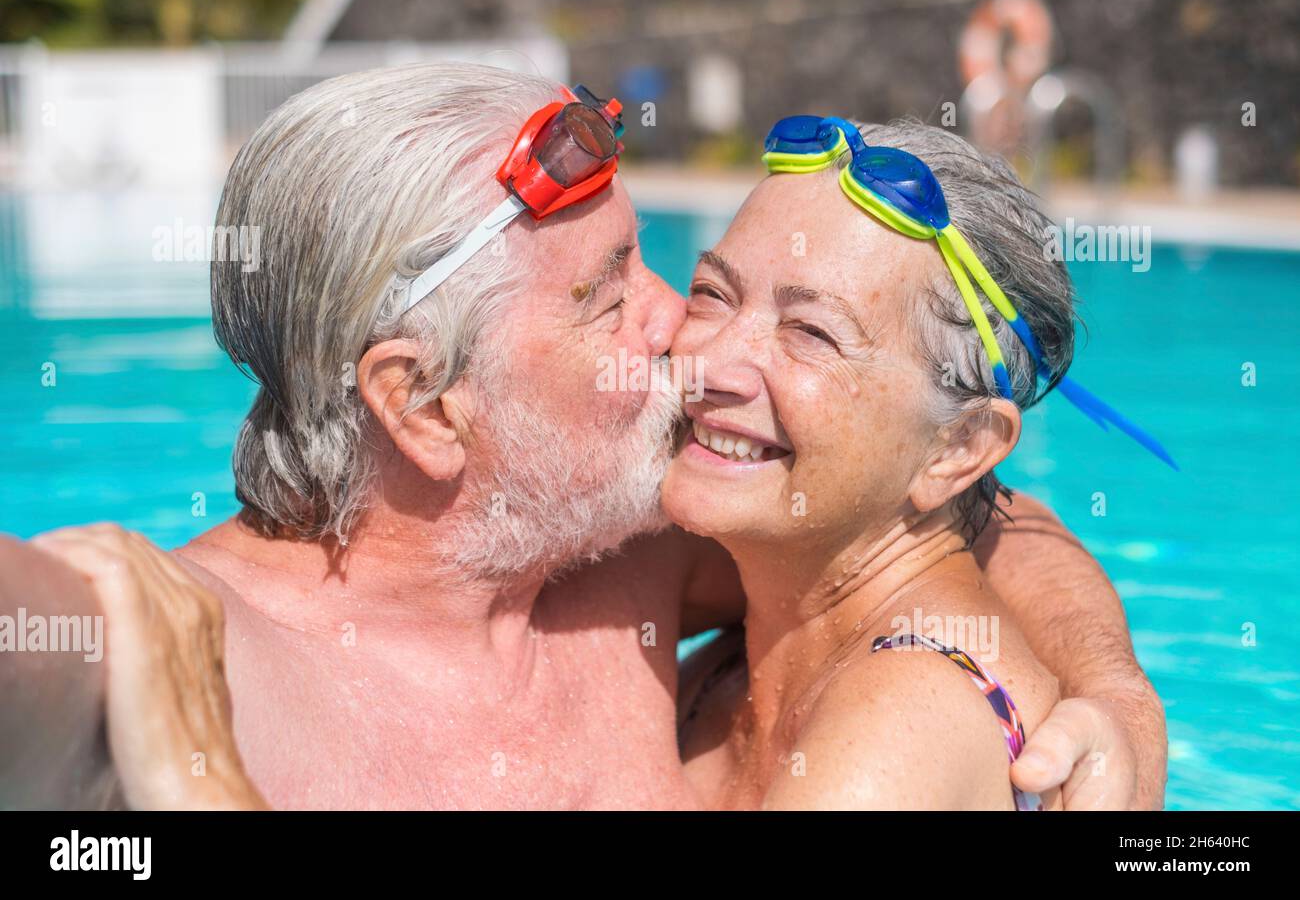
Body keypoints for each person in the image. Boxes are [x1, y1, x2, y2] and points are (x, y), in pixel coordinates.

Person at [3, 64, 1165, 810]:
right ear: (422, 402)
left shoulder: (632, 548)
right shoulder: (159, 641)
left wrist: (1114, 694)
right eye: (613, 291)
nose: (683, 339)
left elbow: (981, 513)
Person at [675, 114, 1173, 808]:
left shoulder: (894, 739)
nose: (710, 365)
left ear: (959, 448)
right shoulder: (749, 651)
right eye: (712, 295)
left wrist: (1122, 696)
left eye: (812, 332)